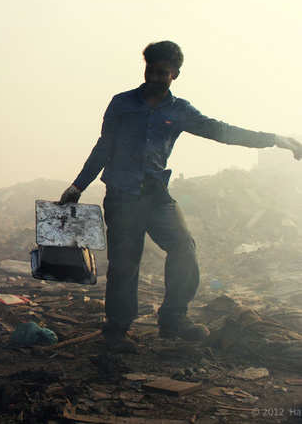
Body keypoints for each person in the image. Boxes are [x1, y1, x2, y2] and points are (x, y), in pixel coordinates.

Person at [59, 41, 302, 353]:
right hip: (122, 195)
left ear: (175, 75)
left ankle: (173, 318)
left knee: (184, 248)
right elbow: (103, 147)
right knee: (125, 262)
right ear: (144, 69)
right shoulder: (122, 104)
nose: (155, 78)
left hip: (157, 196)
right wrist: (77, 186)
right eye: (151, 70)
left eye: (163, 72)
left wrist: (276, 140)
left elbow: (222, 131)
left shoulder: (180, 111)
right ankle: (117, 329)